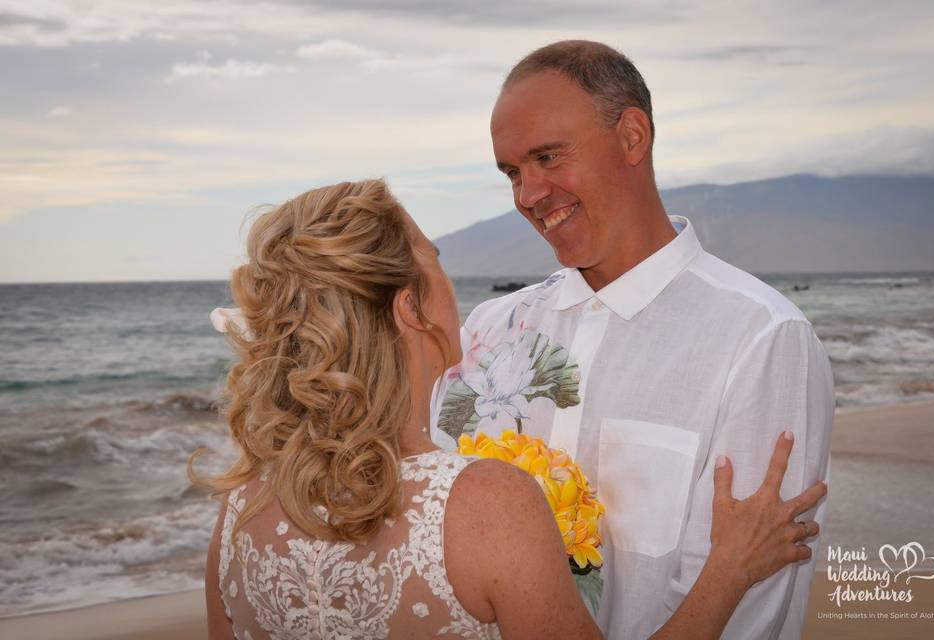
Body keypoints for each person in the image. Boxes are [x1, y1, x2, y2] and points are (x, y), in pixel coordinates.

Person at [196, 179, 826, 640]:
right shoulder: (488, 503)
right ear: (411, 309)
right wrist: (729, 571)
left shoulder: (240, 513)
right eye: (435, 259)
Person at [431, 40, 834, 640]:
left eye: (547, 157)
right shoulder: (489, 331)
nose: (528, 195)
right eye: (513, 172)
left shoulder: (760, 340)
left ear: (632, 137)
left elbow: (750, 618)